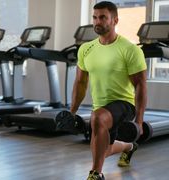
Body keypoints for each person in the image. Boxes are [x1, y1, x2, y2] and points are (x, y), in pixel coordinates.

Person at [69, 1, 147, 180]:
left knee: (97, 118)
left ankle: (96, 174)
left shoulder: (130, 50)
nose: (97, 21)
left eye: (103, 17)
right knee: (103, 150)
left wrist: (139, 121)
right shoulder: (86, 49)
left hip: (125, 104)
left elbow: (141, 85)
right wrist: (71, 113)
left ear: (115, 20)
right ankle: (129, 147)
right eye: (95, 17)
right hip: (102, 107)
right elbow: (80, 83)